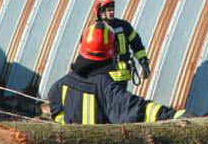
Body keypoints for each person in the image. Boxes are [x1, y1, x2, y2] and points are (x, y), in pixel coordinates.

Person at [48, 24, 186, 124]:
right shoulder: (105, 87)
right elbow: (136, 110)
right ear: (112, 52)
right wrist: (174, 115)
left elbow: (58, 115)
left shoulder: (59, 86)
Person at [92, 0, 150, 87]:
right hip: (105, 77)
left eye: (113, 9)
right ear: (101, 12)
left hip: (123, 76)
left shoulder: (124, 26)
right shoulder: (95, 30)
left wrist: (144, 62)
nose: (112, 12)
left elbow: (137, 44)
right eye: (108, 10)